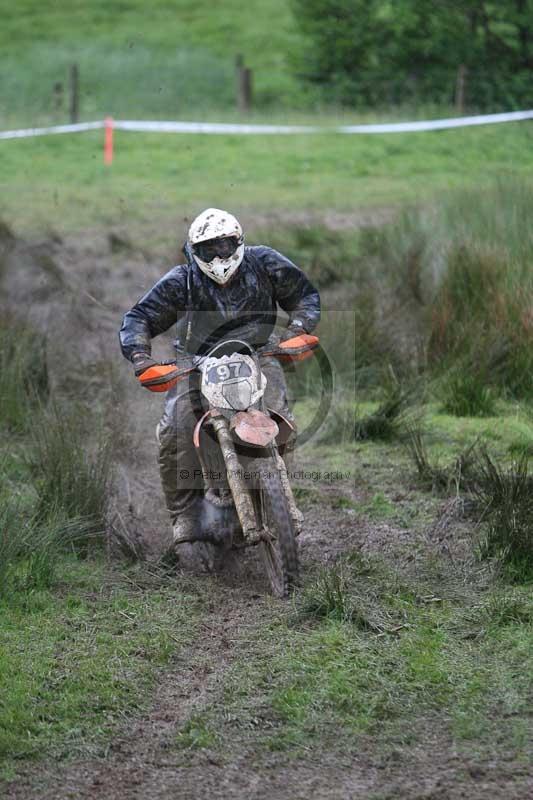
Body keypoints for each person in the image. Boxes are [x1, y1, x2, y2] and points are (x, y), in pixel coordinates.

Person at [119, 208, 320, 547]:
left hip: (259, 354)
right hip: (196, 364)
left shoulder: (265, 263)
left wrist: (298, 330)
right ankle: (184, 515)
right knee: (176, 427)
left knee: (281, 417)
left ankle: (278, 497)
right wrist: (141, 357)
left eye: (226, 246)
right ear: (194, 251)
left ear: (239, 242)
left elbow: (305, 296)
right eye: (210, 249)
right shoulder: (181, 280)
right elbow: (140, 317)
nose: (220, 255)